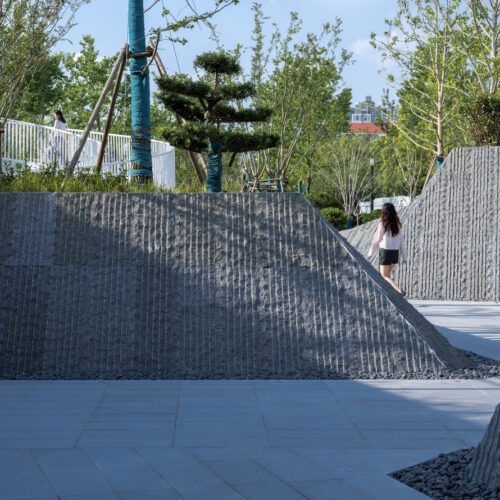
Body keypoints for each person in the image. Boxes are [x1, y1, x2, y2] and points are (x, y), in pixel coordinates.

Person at [368, 202, 408, 295]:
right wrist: (404, 257)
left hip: (385, 252)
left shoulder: (382, 224)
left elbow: (376, 240)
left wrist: (370, 253)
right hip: (395, 253)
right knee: (388, 275)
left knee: (384, 276)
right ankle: (391, 295)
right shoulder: (397, 225)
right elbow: (402, 242)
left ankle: (399, 291)